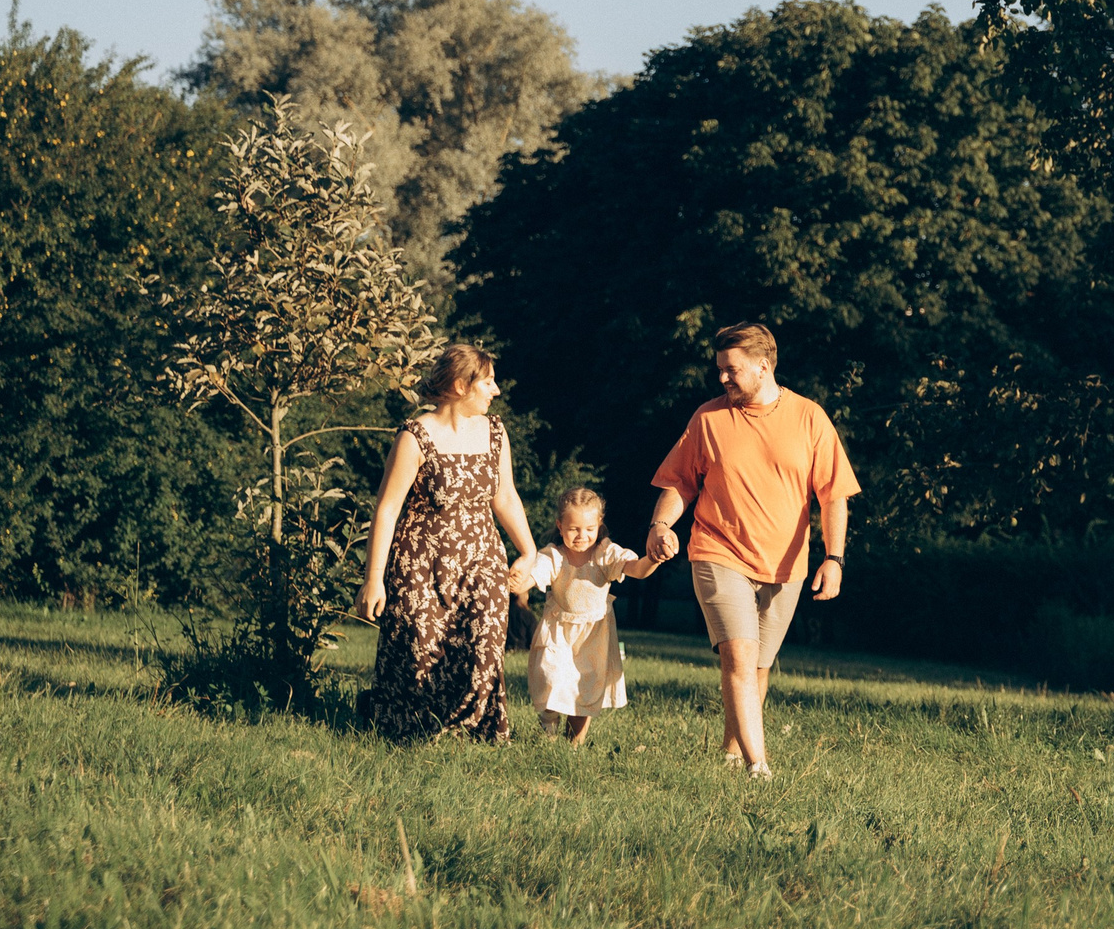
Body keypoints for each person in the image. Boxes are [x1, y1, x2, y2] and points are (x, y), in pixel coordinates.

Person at [644, 322, 857, 778]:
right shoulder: (708, 419)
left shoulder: (809, 417)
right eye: (719, 369)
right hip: (717, 550)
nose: (722, 378)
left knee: (758, 666)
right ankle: (758, 767)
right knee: (739, 656)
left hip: (786, 565)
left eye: (731, 370)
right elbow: (680, 482)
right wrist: (660, 524)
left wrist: (834, 559)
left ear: (764, 367)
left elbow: (833, 494)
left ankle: (732, 748)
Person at [355, 344, 539, 742]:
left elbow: (504, 496)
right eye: (488, 382)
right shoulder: (415, 436)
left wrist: (529, 551)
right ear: (460, 385)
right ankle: (413, 729)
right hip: (421, 564)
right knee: (420, 650)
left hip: (483, 561)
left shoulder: (495, 431)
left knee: (484, 647)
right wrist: (374, 579)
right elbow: (387, 509)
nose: (496, 391)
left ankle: (472, 730)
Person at [509, 486, 660, 743]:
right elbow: (534, 575)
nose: (582, 536)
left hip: (594, 637)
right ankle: (548, 728)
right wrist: (515, 583)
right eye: (573, 529)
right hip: (558, 631)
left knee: (584, 690)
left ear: (599, 524)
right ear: (559, 525)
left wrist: (655, 558)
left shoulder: (605, 554)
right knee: (550, 676)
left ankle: (572, 749)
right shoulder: (554, 555)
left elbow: (637, 569)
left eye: (589, 529)